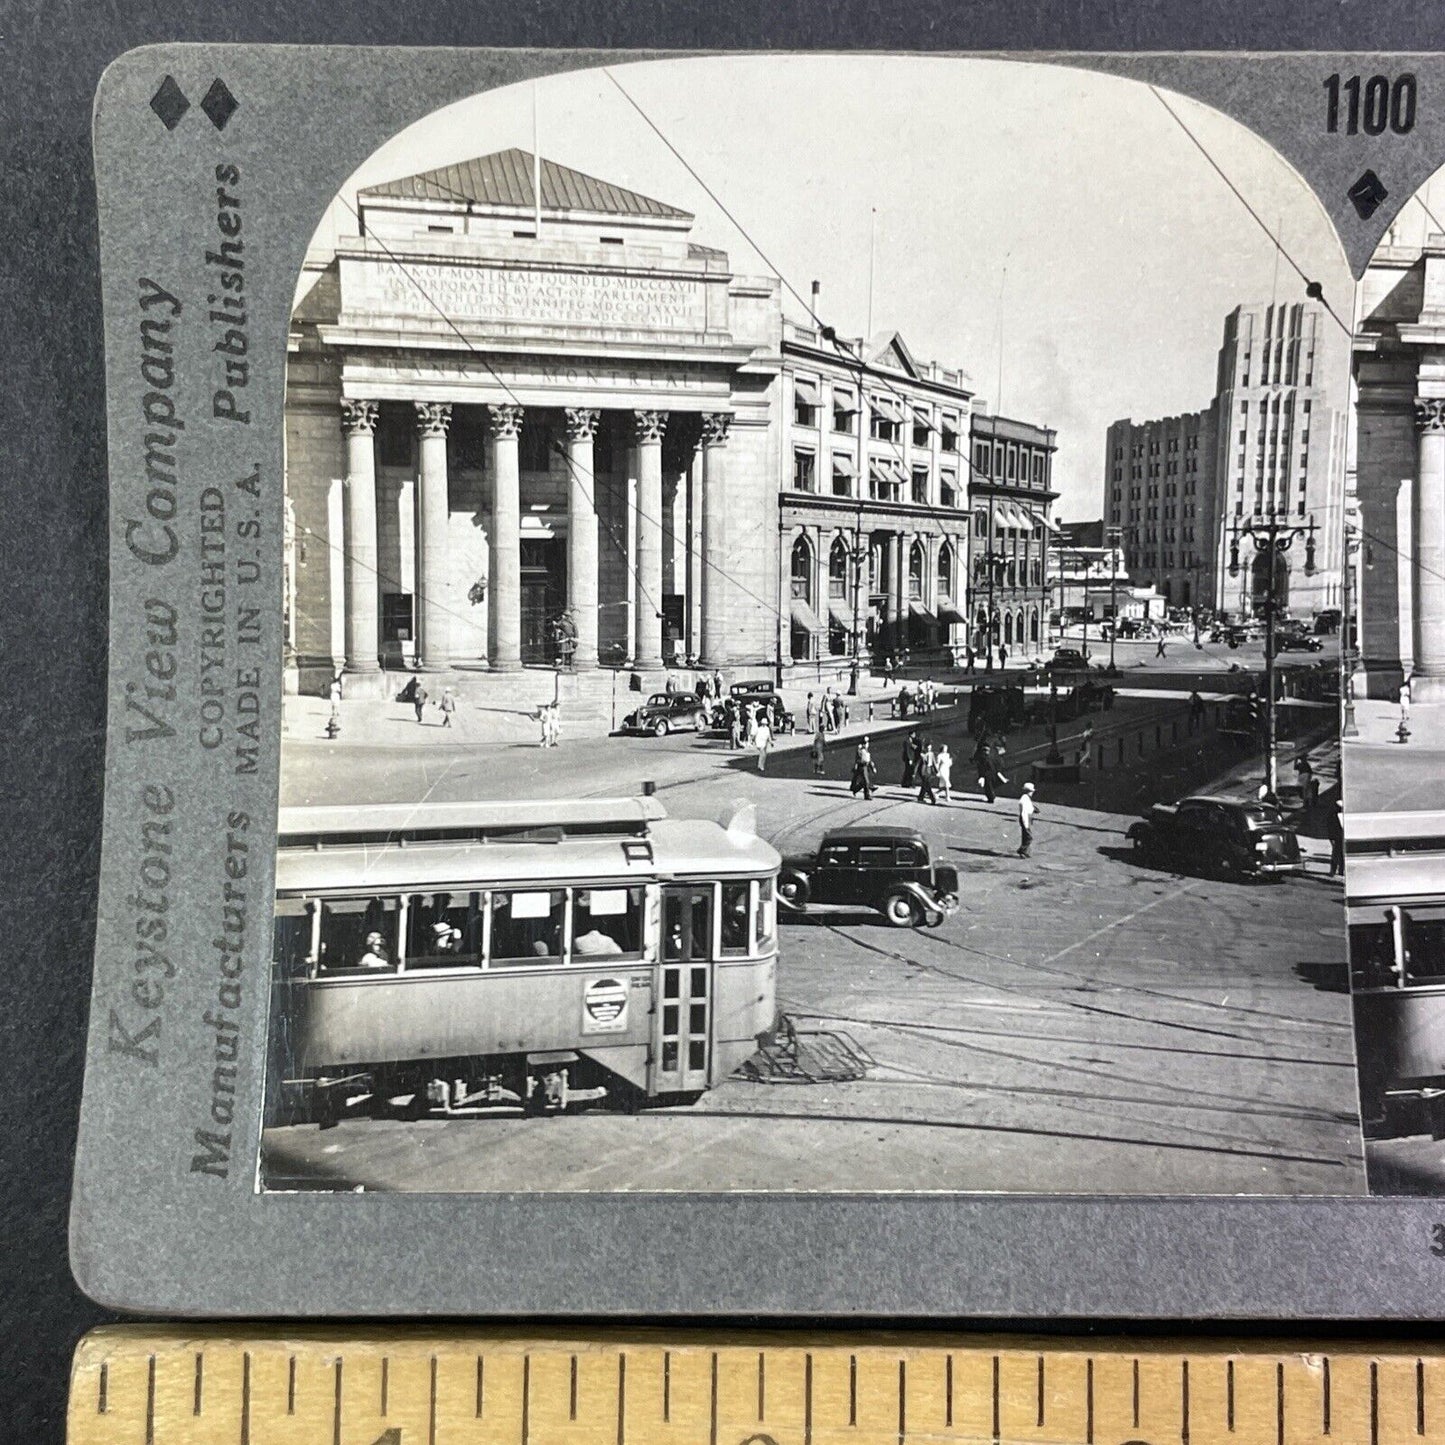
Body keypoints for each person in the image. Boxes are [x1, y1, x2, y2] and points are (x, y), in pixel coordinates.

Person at [1017, 782, 1037, 859]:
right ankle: (1022, 850)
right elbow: (1024, 812)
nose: (1032, 793)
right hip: (1025, 818)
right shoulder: (1024, 799)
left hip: (1027, 818)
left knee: (1025, 836)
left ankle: (1026, 852)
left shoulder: (1026, 798)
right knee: (1029, 837)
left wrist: (1034, 809)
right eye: (1031, 791)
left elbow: (1030, 807)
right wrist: (1026, 824)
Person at [1328, 799, 1345, 877]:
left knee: (1342, 855)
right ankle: (1333, 871)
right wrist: (1331, 838)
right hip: (1336, 838)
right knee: (1335, 855)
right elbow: (1330, 828)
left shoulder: (1344, 816)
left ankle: (1341, 870)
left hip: (1343, 837)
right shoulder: (1332, 816)